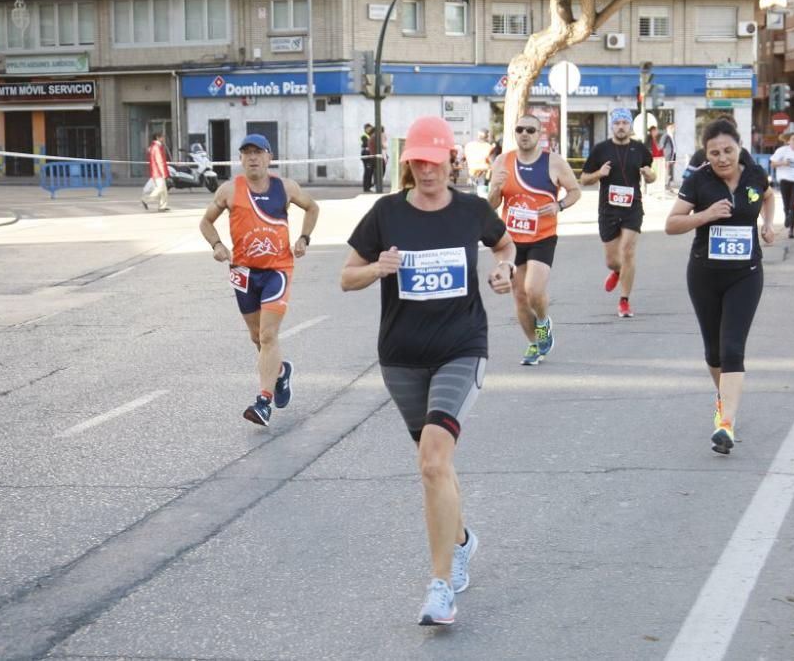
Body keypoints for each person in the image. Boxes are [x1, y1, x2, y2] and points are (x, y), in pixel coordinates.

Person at [340, 116, 515, 626]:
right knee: (435, 464)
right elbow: (346, 277)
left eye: (435, 161)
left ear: (450, 162)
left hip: (462, 347)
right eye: (418, 160)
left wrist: (504, 267)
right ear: (408, 161)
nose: (426, 170)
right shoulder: (386, 214)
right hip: (401, 358)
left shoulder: (471, 210)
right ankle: (461, 539)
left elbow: (504, 245)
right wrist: (377, 269)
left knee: (434, 461)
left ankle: (440, 588)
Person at [664, 118, 776, 455]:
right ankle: (723, 397)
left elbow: (768, 198)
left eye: (728, 150)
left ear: (739, 148)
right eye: (714, 153)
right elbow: (671, 224)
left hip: (746, 274)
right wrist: (706, 215)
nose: (722, 158)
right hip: (705, 276)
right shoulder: (699, 181)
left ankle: (726, 423)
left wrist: (769, 225)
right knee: (713, 352)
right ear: (706, 154)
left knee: (732, 348)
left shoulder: (755, 174)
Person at [199, 134, 319, 426]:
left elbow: (312, 207)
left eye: (258, 152)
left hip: (278, 269)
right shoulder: (229, 190)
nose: (252, 157)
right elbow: (205, 222)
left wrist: (304, 237)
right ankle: (279, 372)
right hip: (243, 272)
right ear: (240, 159)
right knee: (257, 338)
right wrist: (217, 245)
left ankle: (263, 401)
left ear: (269, 157)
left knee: (267, 336)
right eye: (247, 152)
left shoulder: (285, 187)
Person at [487, 113, 582, 365]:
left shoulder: (554, 162)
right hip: (512, 240)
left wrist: (559, 206)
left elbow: (575, 191)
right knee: (519, 295)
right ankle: (534, 344)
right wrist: (495, 188)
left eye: (531, 130)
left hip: (542, 237)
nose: (525, 134)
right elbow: (492, 205)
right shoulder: (502, 162)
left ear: (540, 134)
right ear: (515, 133)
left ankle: (542, 324)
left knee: (534, 290)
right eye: (520, 130)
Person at [580, 108, 656, 318]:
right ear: (611, 126)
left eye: (624, 123)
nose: (621, 126)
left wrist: (649, 174)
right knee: (612, 260)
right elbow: (584, 179)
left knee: (628, 251)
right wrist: (599, 173)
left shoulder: (640, 149)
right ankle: (616, 271)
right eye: (617, 123)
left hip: (633, 207)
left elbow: (652, 175)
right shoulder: (600, 150)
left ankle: (624, 301)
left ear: (630, 126)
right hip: (608, 210)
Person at [769, 132, 794, 238]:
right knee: (786, 205)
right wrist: (783, 163)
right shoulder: (782, 151)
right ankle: (787, 215)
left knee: (793, 204)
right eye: (793, 139)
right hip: (785, 179)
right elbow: (772, 164)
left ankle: (791, 230)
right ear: (789, 141)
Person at [141, 132, 170, 213]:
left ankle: (162, 206)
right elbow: (159, 161)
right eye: (162, 137)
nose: (163, 138)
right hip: (158, 172)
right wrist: (163, 172)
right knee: (160, 188)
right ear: (157, 137)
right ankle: (146, 200)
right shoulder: (156, 147)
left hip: (157, 171)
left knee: (164, 190)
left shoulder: (156, 147)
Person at [660, 123, 677, 188]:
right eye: (672, 128)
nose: (673, 129)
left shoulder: (672, 136)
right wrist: (666, 151)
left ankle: (668, 184)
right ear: (669, 128)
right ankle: (665, 185)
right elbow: (662, 145)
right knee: (667, 170)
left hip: (672, 155)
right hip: (667, 156)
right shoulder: (666, 136)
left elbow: (674, 147)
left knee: (670, 171)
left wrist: (674, 157)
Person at [361, 123, 374, 192]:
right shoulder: (364, 136)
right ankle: (366, 187)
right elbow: (366, 144)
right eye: (369, 129)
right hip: (366, 156)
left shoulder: (370, 136)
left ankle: (368, 186)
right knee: (367, 172)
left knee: (370, 172)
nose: (370, 130)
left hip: (369, 156)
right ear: (366, 129)